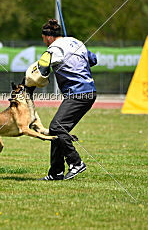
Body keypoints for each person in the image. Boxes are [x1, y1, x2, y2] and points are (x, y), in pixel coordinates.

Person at [37, 18, 97, 180]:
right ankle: (56, 172)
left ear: (48, 37)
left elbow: (42, 68)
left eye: (43, 38)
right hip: (88, 92)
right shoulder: (76, 42)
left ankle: (76, 163)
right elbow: (93, 60)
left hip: (78, 94)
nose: (44, 42)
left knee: (56, 127)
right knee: (57, 129)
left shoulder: (53, 49)